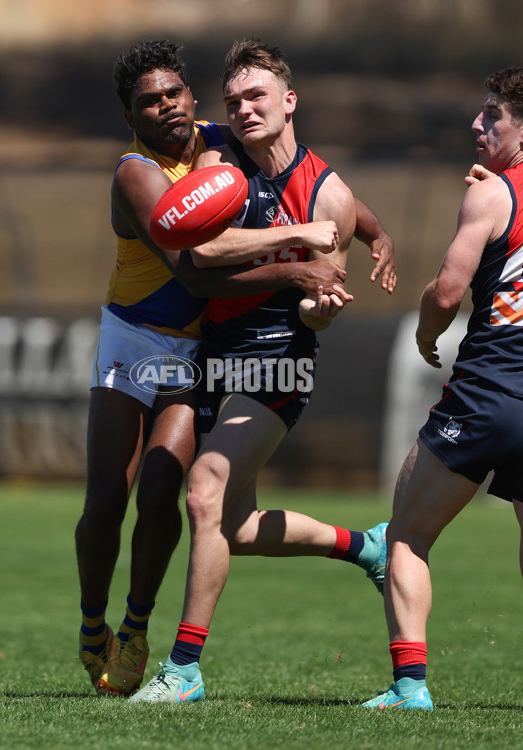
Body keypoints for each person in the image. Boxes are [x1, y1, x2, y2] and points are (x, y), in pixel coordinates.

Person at [129, 39, 391, 705]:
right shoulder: (220, 159)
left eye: (257, 97)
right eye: (234, 101)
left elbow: (318, 306)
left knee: (203, 491)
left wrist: (321, 305)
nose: (244, 110)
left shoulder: (330, 195)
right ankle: (366, 547)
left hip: (280, 358)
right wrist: (292, 241)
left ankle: (183, 671)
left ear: (290, 101)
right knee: (233, 528)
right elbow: (202, 248)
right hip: (215, 351)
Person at [361, 67, 523, 712]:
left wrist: (428, 332)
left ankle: (409, 687)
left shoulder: (492, 196)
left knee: (407, 532)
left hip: (490, 392)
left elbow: (448, 292)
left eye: (494, 114)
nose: (477, 124)